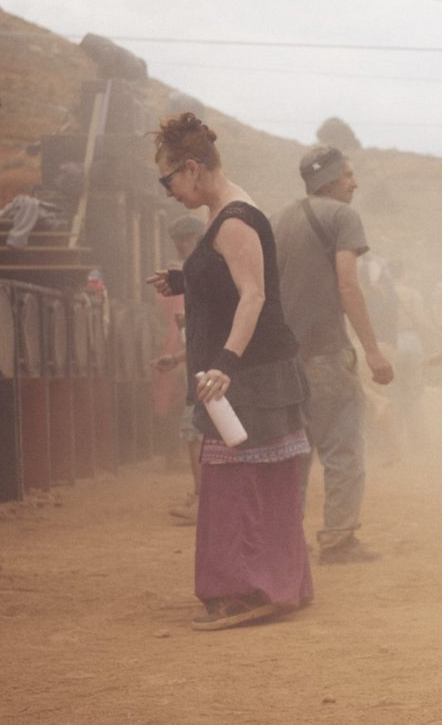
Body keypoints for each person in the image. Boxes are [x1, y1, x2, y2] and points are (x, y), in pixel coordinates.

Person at [147, 113, 312, 631]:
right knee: (252, 483)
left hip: (250, 378)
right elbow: (230, 276)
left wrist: (225, 363)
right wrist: (185, 280)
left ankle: (251, 591)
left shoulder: (235, 218)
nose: (169, 191)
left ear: (192, 168)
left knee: (243, 486)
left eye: (168, 180)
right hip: (252, 375)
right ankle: (273, 583)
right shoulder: (224, 213)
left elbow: (254, 294)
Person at [272, 146, 394, 564]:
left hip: (284, 361)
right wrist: (373, 352)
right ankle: (339, 540)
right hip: (326, 354)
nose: (354, 183)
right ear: (328, 179)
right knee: (343, 449)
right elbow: (347, 286)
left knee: (294, 453)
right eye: (348, 175)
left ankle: (286, 543)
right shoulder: (342, 217)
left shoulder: (278, 220)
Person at [152, 214, 207, 525]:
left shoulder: (202, 273)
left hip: (207, 373)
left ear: (193, 239)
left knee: (195, 434)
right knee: (197, 434)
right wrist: (174, 360)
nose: (180, 248)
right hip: (202, 369)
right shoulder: (200, 273)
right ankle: (204, 498)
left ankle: (203, 500)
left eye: (182, 242)